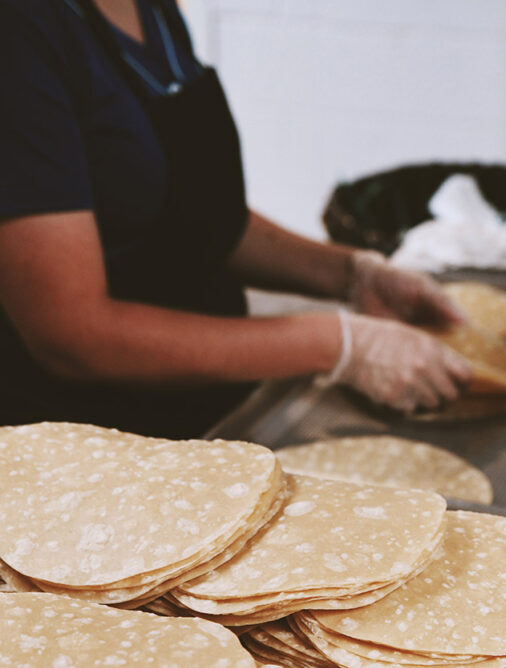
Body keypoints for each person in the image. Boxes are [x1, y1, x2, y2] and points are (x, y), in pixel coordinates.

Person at [0, 0, 471, 440]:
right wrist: (334, 342)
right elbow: (72, 334)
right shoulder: (21, 32)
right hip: (91, 445)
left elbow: (191, 217)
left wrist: (350, 274)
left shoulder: (152, 9)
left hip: (208, 409)